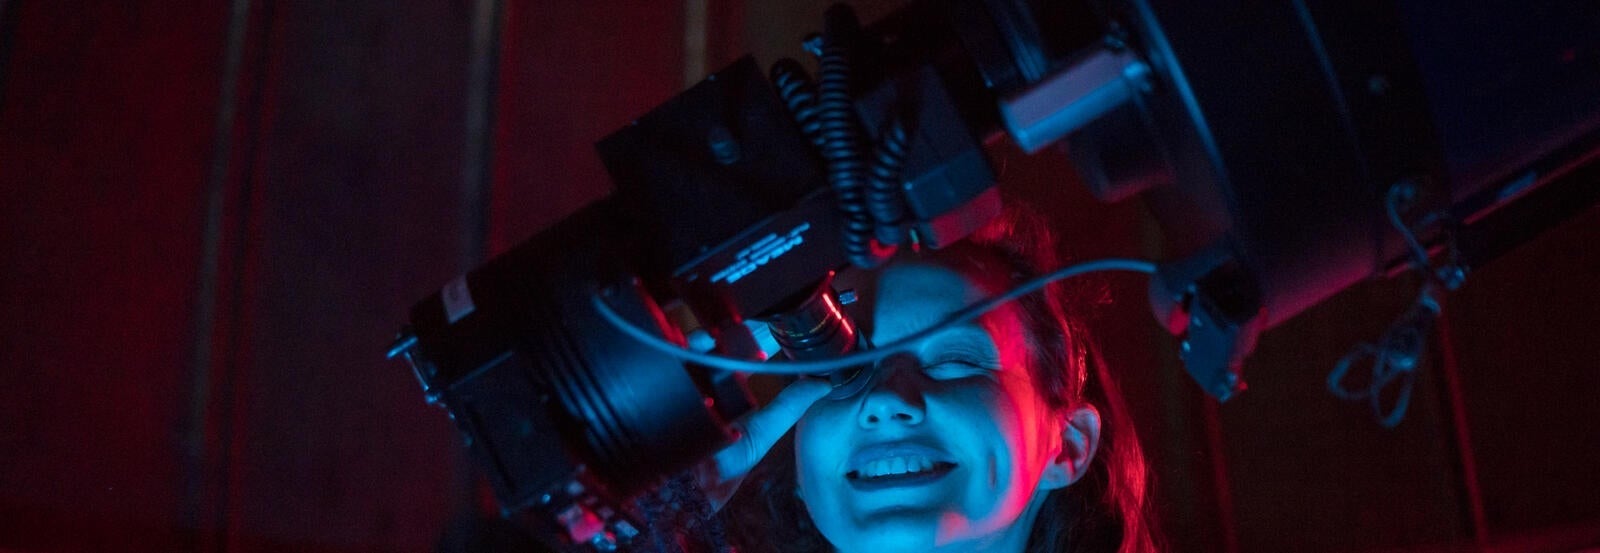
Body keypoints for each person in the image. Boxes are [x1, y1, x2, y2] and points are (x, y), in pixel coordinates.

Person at [666, 203, 1158, 553]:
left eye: (958, 360)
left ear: (1068, 443)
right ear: (800, 464)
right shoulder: (658, 521)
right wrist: (657, 508)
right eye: (844, 368)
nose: (885, 399)